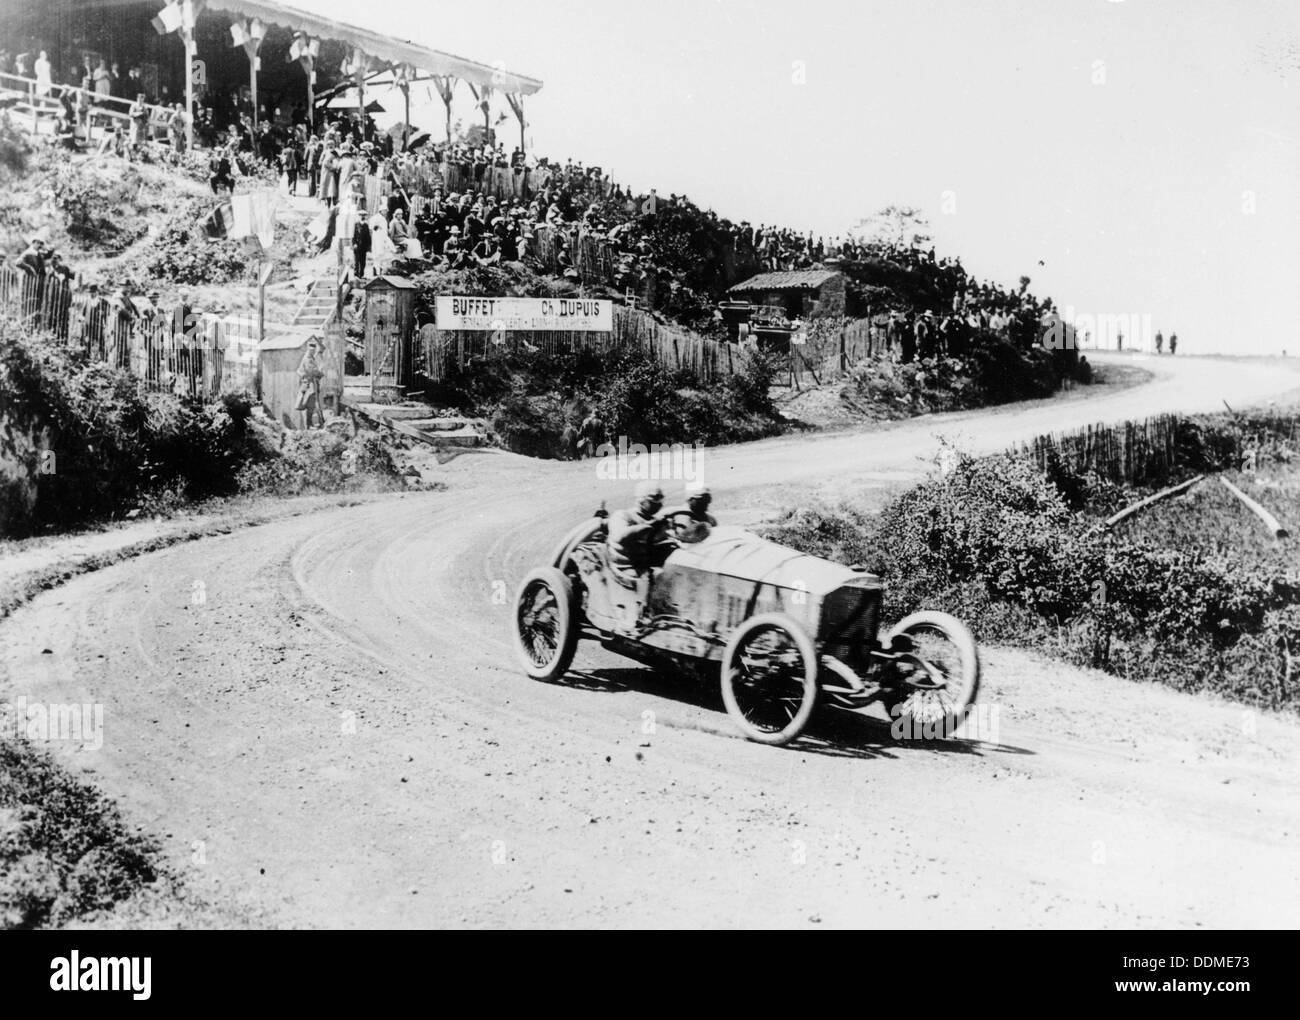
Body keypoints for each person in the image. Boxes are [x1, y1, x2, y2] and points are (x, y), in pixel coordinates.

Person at [606, 481, 676, 630]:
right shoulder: (622, 516)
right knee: (651, 576)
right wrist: (645, 527)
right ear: (641, 500)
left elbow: (665, 540)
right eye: (653, 501)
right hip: (625, 565)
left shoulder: (656, 520)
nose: (658, 505)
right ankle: (640, 618)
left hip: (645, 563)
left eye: (660, 501)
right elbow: (620, 536)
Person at [296, 337, 325, 429]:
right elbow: (311, 371)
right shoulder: (308, 358)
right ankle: (308, 425)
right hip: (308, 383)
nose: (313, 349)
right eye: (311, 347)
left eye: (314, 347)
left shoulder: (311, 357)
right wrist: (321, 373)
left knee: (311, 404)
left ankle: (311, 424)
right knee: (310, 404)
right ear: (308, 348)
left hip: (311, 383)